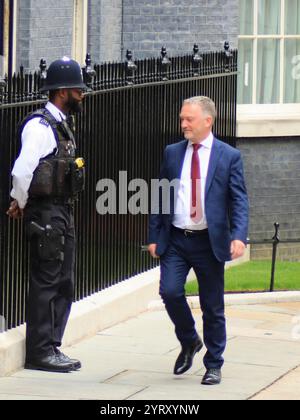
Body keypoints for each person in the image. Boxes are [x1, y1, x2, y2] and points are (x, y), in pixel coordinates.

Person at [148, 96, 249, 385]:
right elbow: (160, 195)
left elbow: (239, 200)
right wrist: (155, 235)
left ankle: (214, 363)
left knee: (212, 306)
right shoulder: (172, 152)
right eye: (182, 119)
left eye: (188, 119)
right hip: (177, 239)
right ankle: (190, 339)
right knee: (169, 292)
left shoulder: (228, 156)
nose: (183, 124)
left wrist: (239, 235)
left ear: (208, 120)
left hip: (209, 242)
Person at [7, 57, 87, 373]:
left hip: (61, 212)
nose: (82, 96)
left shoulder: (60, 123)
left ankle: (52, 345)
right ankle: (40, 351)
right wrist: (20, 201)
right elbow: (22, 170)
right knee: (47, 282)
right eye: (78, 91)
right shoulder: (39, 126)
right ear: (63, 91)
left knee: (64, 281)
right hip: (46, 213)